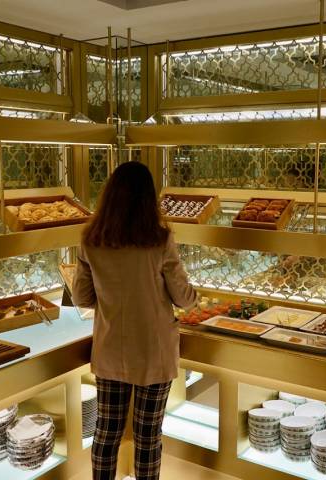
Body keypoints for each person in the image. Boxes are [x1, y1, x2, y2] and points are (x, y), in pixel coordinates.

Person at [71, 161, 197, 480]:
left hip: (110, 348)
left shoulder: (91, 239)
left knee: (106, 433)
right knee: (147, 438)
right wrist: (196, 296)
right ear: (148, 199)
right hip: (154, 352)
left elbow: (82, 298)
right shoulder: (159, 239)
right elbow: (182, 297)